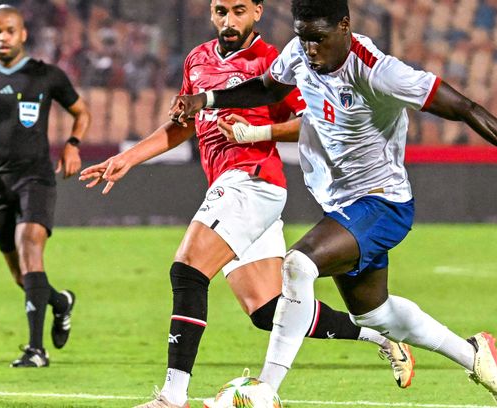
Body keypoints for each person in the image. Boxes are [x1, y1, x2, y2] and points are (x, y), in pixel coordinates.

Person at [168, 0, 497, 406]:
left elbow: (465, 107)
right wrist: (206, 100)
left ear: (344, 26)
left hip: (382, 203)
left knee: (298, 264)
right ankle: (472, 353)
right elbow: (265, 88)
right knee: (374, 315)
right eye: (304, 37)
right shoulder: (300, 52)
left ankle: (265, 391)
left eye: (319, 39)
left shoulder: (379, 72)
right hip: (341, 207)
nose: (310, 49)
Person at [80, 1, 413, 407]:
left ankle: (172, 396)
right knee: (267, 310)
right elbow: (184, 125)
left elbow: (311, 121)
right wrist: (128, 158)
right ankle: (381, 337)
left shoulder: (274, 61)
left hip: (253, 180)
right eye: (221, 10)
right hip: (232, 186)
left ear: (257, 11)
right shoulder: (197, 59)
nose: (229, 20)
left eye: (239, 10)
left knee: (188, 270)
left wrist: (255, 132)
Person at [0, 4, 90, 368]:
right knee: (21, 275)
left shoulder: (47, 76)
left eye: (9, 30)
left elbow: (82, 112)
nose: (3, 37)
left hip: (36, 178)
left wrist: (72, 145)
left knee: (29, 246)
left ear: (23, 34)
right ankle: (60, 302)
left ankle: (36, 350)